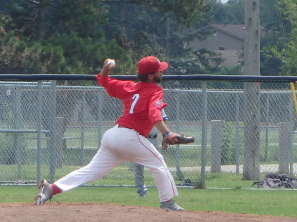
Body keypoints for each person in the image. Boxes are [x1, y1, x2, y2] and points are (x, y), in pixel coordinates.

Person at [34, 56, 184, 211]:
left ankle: (51, 188)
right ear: (151, 76)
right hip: (130, 137)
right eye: (159, 70)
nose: (162, 72)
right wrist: (167, 134)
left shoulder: (129, 86)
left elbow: (104, 81)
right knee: (158, 162)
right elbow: (154, 114)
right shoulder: (155, 90)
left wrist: (106, 69)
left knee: (92, 171)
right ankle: (167, 202)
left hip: (113, 136)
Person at [133, 108, 168, 198]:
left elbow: (163, 120)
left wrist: (165, 138)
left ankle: (164, 191)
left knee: (158, 166)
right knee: (138, 167)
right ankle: (141, 192)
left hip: (153, 139)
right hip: (139, 138)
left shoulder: (157, 103)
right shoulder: (138, 101)